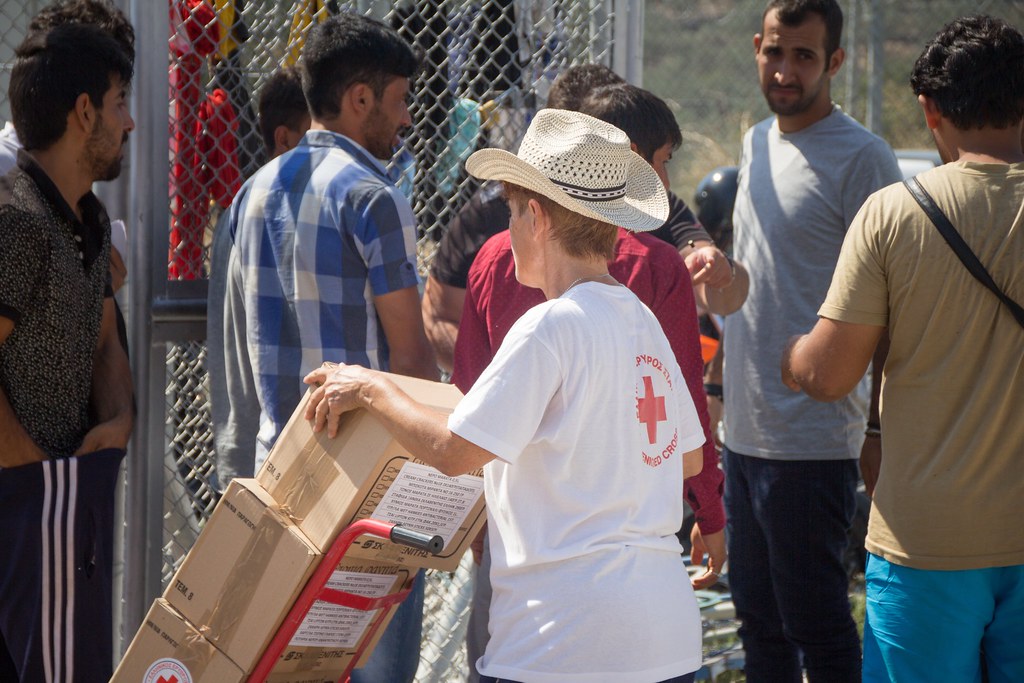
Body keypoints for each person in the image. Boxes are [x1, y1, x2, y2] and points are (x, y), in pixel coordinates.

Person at [305, 108, 707, 683]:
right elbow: (687, 457)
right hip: (667, 637)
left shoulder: (550, 325)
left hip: (565, 640)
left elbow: (453, 451)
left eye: (512, 210)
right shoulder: (640, 318)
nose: (509, 227)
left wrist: (370, 386)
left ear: (537, 216)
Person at [782, 15, 1024, 681]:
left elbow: (829, 374)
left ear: (929, 110)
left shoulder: (895, 213)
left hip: (925, 542)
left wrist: (792, 356)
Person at [226, 13, 437, 682]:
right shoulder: (375, 197)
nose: (406, 118)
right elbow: (411, 358)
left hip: (279, 476)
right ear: (360, 98)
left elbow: (237, 347)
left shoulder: (251, 194)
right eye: (399, 99)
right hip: (368, 491)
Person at [722, 1, 903, 680]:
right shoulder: (754, 143)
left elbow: (891, 306)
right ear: (757, 48)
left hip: (812, 440)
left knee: (818, 628)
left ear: (835, 62)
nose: (784, 70)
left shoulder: (864, 158)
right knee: (758, 626)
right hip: (743, 436)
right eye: (775, 52)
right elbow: (760, 280)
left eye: (803, 56)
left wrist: (877, 427)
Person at [421, 63, 745, 375]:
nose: (666, 182)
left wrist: (716, 265)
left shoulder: (535, 322)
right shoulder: (644, 297)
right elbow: (438, 314)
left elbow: (716, 283)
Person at [0, 22, 135, 683]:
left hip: (70, 501)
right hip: (26, 508)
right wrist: (32, 466)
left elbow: (104, 335)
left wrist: (119, 419)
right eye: (119, 102)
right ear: (85, 112)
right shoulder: (17, 221)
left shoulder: (90, 218)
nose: (130, 122)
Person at [207, 66, 310, 492]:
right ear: (284, 139)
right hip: (264, 453)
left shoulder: (247, 203)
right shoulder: (271, 212)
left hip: (249, 447)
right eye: (316, 138)